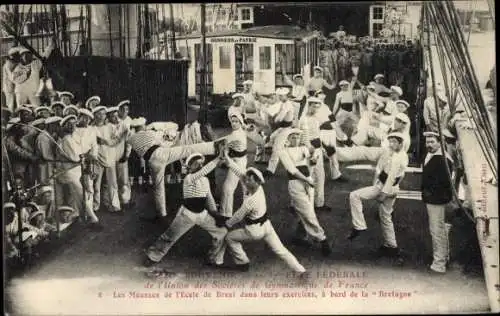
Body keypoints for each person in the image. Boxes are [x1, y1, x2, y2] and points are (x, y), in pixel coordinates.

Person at [218, 150, 308, 275]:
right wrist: (227, 159)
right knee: (280, 250)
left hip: (254, 231)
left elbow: (237, 217)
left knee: (229, 238)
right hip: (266, 226)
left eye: (249, 180)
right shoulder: (256, 187)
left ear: (257, 182)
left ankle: (243, 262)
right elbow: (239, 171)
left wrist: (226, 224)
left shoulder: (251, 201)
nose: (246, 181)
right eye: (247, 179)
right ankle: (300, 270)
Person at [143, 153, 227, 267]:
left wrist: (216, 215)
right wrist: (218, 159)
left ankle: (214, 258)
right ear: (189, 167)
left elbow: (210, 199)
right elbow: (203, 172)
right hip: (187, 215)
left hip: (202, 215)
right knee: (169, 237)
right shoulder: (189, 178)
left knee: (222, 232)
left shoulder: (205, 180)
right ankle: (152, 257)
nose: (199, 166)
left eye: (201, 164)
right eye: (195, 164)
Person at [127, 126, 223, 222]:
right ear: (140, 128)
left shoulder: (131, 138)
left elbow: (129, 151)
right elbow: (162, 142)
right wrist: (167, 140)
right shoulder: (147, 133)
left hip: (152, 161)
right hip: (160, 154)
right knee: (186, 149)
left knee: (158, 187)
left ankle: (162, 215)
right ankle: (214, 147)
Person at [347, 133, 409, 259]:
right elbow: (401, 175)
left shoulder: (398, 157)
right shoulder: (401, 155)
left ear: (401, 143)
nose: (391, 144)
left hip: (385, 188)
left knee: (354, 195)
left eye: (394, 142)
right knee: (385, 216)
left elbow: (391, 177)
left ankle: (359, 226)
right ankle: (391, 246)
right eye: (390, 141)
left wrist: (383, 193)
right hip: (393, 189)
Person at [278, 128, 332, 255]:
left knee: (307, 210)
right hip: (296, 183)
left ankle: (299, 236)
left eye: (297, 136)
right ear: (287, 139)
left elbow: (311, 163)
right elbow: (292, 170)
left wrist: (314, 159)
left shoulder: (303, 149)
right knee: (307, 211)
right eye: (292, 136)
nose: (295, 138)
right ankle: (322, 239)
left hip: (308, 182)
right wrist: (307, 180)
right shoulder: (283, 152)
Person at [55, 115, 102, 230]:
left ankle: (79, 218)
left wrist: (85, 155)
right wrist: (84, 155)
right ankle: (93, 219)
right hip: (68, 172)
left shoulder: (73, 137)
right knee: (81, 194)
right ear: (64, 127)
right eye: (69, 124)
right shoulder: (66, 139)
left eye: (73, 124)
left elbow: (81, 152)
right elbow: (75, 157)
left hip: (76, 171)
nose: (72, 126)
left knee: (75, 197)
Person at [421, 131, 454, 273]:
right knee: (440, 228)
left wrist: (429, 193)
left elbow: (443, 182)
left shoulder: (442, 159)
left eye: (432, 142)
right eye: (427, 142)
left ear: (440, 142)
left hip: (437, 199)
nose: (429, 145)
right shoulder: (434, 155)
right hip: (433, 198)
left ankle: (439, 263)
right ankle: (444, 257)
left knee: (437, 230)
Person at [298, 98, 330, 212]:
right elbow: (301, 136)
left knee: (320, 176)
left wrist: (321, 147)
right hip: (308, 151)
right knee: (307, 177)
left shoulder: (317, 118)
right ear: (308, 106)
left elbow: (317, 134)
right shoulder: (303, 119)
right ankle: (300, 204)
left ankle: (319, 204)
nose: (315, 109)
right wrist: (308, 148)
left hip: (317, 150)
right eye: (313, 106)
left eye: (317, 106)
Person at [93, 106, 127, 214]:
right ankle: (95, 207)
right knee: (96, 184)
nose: (104, 116)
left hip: (110, 157)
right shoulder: (91, 128)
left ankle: (114, 206)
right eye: (101, 114)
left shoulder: (110, 127)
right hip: (97, 159)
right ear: (96, 115)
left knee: (113, 183)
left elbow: (116, 140)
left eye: (104, 114)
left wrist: (105, 141)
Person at [220, 112, 248, 217]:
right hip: (240, 160)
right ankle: (247, 208)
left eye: (236, 122)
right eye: (232, 121)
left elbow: (222, 142)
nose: (234, 124)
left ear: (240, 122)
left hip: (238, 162)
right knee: (244, 184)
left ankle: (225, 214)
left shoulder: (236, 134)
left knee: (227, 187)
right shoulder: (239, 131)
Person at [36, 116, 62, 186]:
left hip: (50, 166)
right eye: (56, 125)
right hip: (45, 168)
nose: (58, 127)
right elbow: (47, 155)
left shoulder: (51, 135)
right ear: (50, 125)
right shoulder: (43, 137)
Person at [2, 47, 19, 112]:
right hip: (9, 86)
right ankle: (11, 116)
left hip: (12, 85)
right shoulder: (8, 64)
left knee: (14, 102)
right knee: (10, 103)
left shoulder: (13, 63)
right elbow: (12, 77)